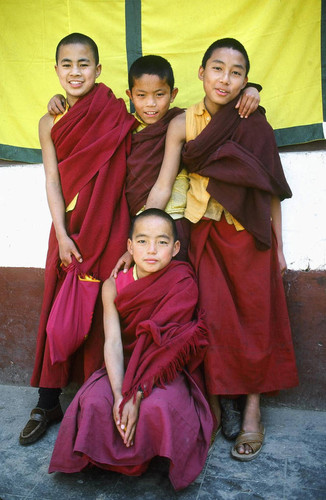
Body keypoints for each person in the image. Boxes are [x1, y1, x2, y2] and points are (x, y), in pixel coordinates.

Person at [146, 38, 298, 461]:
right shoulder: (183, 123)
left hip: (250, 237)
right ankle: (212, 408)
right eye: (217, 68)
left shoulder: (254, 123)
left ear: (247, 81)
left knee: (256, 322)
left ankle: (252, 413)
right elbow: (162, 184)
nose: (224, 79)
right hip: (205, 233)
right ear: (201, 72)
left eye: (236, 73)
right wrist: (141, 238)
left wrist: (279, 247)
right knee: (208, 320)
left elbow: (270, 193)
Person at [19, 33, 136, 445]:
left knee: (103, 314)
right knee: (57, 308)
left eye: (83, 64)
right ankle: (47, 400)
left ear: (98, 70)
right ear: (56, 71)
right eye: (66, 64)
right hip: (68, 230)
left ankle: (96, 400)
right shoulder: (50, 122)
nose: (75, 72)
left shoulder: (115, 110)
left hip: (111, 225)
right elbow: (52, 179)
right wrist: (62, 232)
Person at [48, 209, 213, 490]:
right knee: (96, 403)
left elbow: (172, 346)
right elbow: (112, 342)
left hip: (161, 370)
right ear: (129, 246)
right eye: (142, 241)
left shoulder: (183, 280)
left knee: (156, 405)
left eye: (162, 242)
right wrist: (118, 395)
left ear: (175, 249)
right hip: (123, 365)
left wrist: (136, 394)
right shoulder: (112, 286)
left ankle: (149, 457)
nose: (151, 250)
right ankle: (109, 459)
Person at [48, 55, 262, 265]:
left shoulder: (182, 122)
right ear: (130, 95)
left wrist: (249, 90)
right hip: (133, 226)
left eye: (159, 95)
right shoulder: (123, 125)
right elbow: (88, 116)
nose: (151, 104)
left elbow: (220, 113)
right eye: (141, 95)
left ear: (173, 94)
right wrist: (59, 99)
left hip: (174, 224)